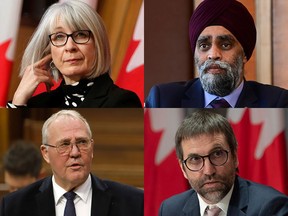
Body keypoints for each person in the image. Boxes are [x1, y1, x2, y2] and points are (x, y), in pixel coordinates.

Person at [145, 0, 288, 108]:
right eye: (204, 45)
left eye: (225, 45)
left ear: (244, 53)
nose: (213, 54)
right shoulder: (163, 100)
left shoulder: (276, 103)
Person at [0, 110, 143, 216]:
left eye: (82, 142)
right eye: (64, 144)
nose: (75, 152)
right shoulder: (13, 207)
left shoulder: (133, 202)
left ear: (92, 148)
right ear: (45, 153)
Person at [7, 0, 142, 108]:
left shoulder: (122, 101)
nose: (70, 46)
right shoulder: (35, 104)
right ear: (49, 51)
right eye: (59, 36)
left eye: (81, 35)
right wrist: (18, 100)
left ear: (98, 44)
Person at [159, 110, 288, 216]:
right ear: (183, 168)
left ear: (235, 157)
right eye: (195, 159)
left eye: (217, 154)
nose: (209, 171)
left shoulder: (271, 207)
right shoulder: (170, 209)